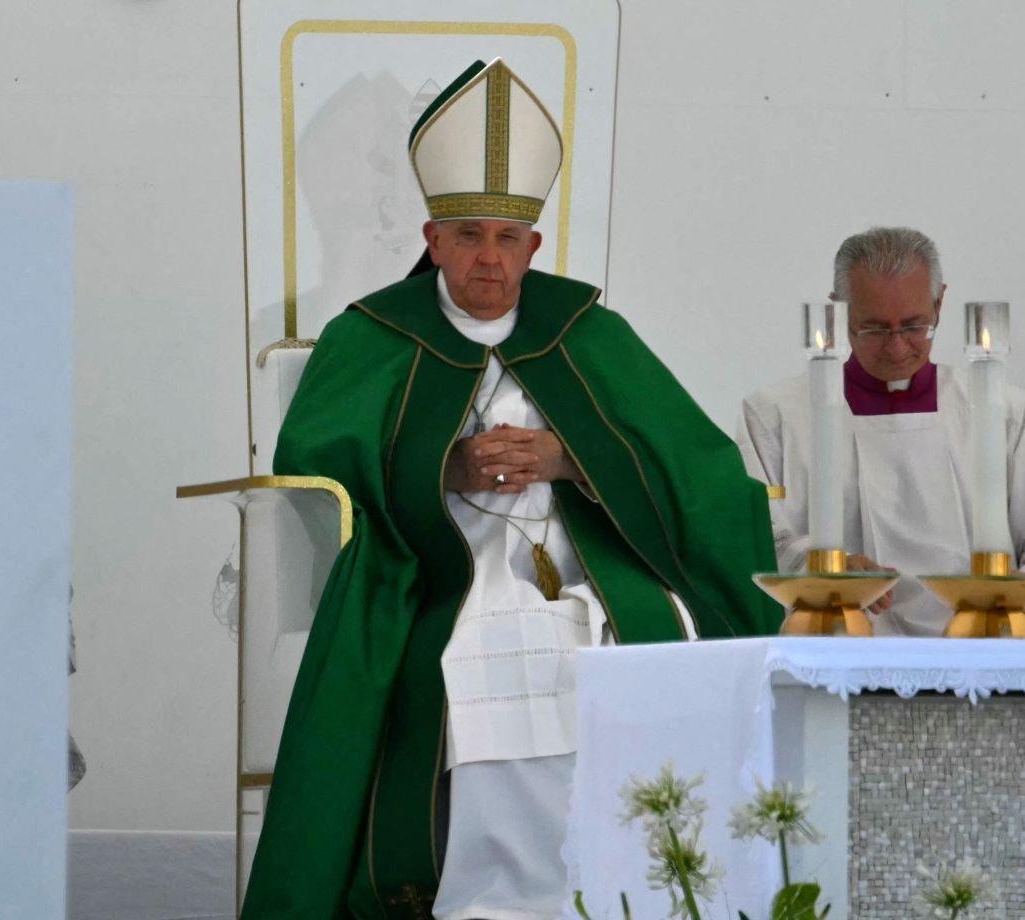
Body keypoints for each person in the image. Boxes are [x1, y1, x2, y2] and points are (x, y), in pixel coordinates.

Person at [241, 58, 781, 920]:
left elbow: (696, 463)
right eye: (467, 237)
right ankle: (487, 898)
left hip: (587, 554)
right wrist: (441, 468)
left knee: (633, 638)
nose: (488, 258)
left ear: (534, 245)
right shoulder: (372, 335)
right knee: (488, 635)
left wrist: (571, 458)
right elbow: (312, 461)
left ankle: (619, 891)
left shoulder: (589, 331)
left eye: (506, 238)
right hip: (439, 556)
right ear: (432, 240)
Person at [737, 226, 1025, 636]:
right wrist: (824, 567)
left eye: (913, 326)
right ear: (838, 311)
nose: (896, 348)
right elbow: (758, 536)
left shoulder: (1005, 413)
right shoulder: (775, 416)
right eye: (874, 329)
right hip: (835, 648)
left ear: (939, 303)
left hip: (979, 654)